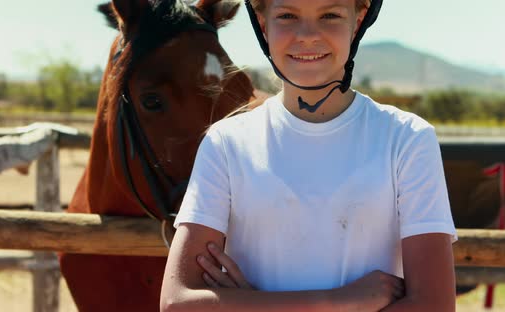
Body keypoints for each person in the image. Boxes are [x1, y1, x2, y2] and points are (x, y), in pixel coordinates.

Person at [161, 0, 457, 311]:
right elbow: (177, 301)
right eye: (287, 15)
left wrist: (249, 304)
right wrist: (340, 301)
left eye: (330, 15)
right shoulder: (225, 145)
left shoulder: (407, 139)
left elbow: (434, 305)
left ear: (357, 22)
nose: (307, 35)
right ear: (263, 25)